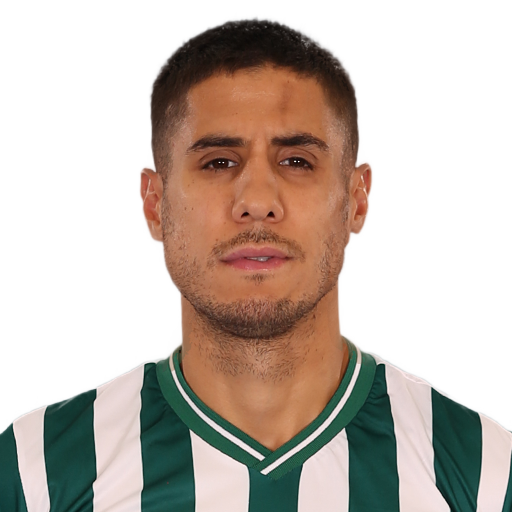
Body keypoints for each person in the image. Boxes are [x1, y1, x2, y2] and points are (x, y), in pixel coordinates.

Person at [1, 17, 511, 512]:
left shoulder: (485, 474)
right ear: (156, 205)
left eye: (297, 161)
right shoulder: (35, 473)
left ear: (356, 200)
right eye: (219, 161)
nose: (258, 201)